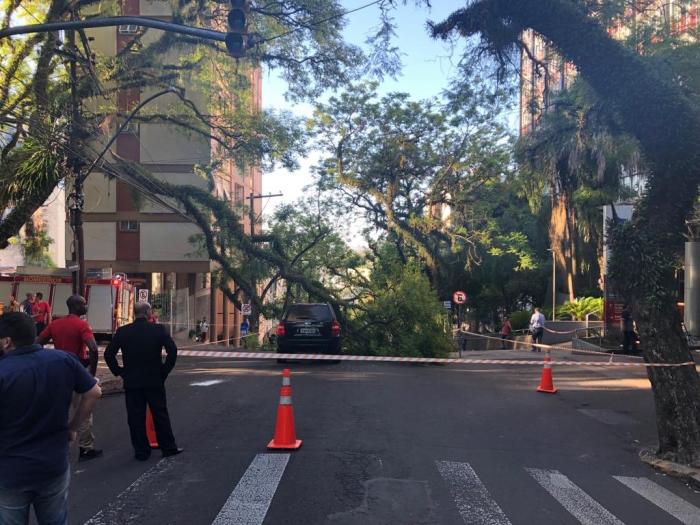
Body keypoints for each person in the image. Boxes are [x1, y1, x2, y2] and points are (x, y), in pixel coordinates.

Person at [0, 312, 102, 525]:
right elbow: (94, 392)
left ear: (7, 341)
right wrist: (72, 427)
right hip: (53, 464)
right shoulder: (63, 360)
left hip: (10, 472)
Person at [105, 302, 182, 461]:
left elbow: (108, 354)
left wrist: (119, 371)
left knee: (135, 417)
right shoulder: (158, 330)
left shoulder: (123, 332)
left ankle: (141, 451)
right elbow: (172, 351)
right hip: (154, 379)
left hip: (132, 380)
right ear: (148, 312)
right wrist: (164, 371)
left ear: (134, 313)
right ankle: (168, 447)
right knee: (160, 414)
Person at [37, 295, 103, 461]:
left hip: (59, 372)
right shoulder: (82, 325)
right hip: (77, 371)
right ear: (76, 306)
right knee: (83, 410)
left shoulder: (55, 324)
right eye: (84, 304)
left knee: (59, 410)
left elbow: (38, 342)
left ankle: (56, 447)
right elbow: (93, 349)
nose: (86, 306)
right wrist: (91, 375)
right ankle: (86, 448)